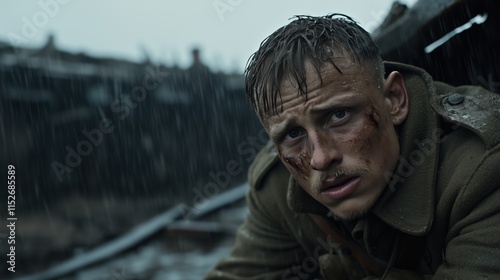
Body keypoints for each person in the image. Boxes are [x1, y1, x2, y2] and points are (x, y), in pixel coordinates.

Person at [205, 14, 500, 279]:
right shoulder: (277, 187)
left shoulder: (485, 167)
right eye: (293, 134)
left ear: (394, 99)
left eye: (338, 115)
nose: (320, 158)